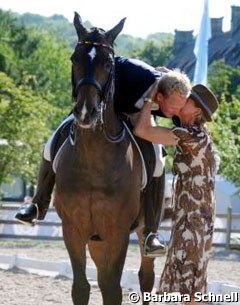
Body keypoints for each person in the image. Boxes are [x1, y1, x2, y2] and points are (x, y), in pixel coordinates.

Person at [15, 57, 191, 255]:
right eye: (174, 107)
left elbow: (180, 124)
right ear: (160, 97)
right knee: (53, 140)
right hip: (100, 101)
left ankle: (151, 233)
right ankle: (37, 204)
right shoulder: (139, 79)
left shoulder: (173, 99)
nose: (177, 112)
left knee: (158, 160)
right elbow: (104, 69)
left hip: (137, 112)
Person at [133, 84, 219, 303]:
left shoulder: (190, 135)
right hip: (191, 216)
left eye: (187, 100)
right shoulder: (194, 133)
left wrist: (150, 100)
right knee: (187, 278)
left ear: (197, 110)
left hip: (194, 218)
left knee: (188, 280)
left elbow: (142, 130)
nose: (183, 102)